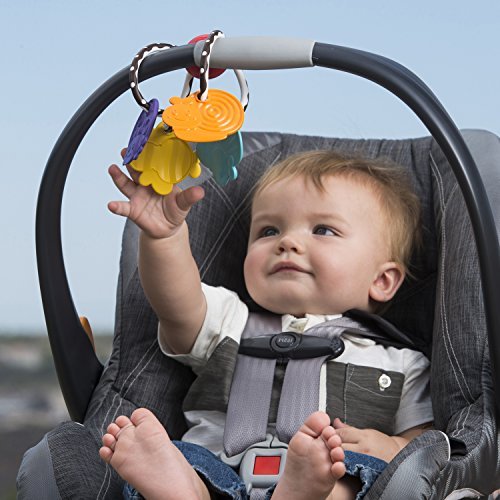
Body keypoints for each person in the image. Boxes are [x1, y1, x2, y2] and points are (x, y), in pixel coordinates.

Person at [99, 150, 433, 500]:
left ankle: (308, 491)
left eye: (323, 230)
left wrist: (391, 446)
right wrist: (164, 238)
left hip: (326, 477)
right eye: (269, 230)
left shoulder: (401, 363)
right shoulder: (230, 321)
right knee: (184, 457)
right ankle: (187, 491)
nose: (287, 242)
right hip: (218, 473)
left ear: (382, 280)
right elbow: (176, 303)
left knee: (364, 474)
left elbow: (424, 449)